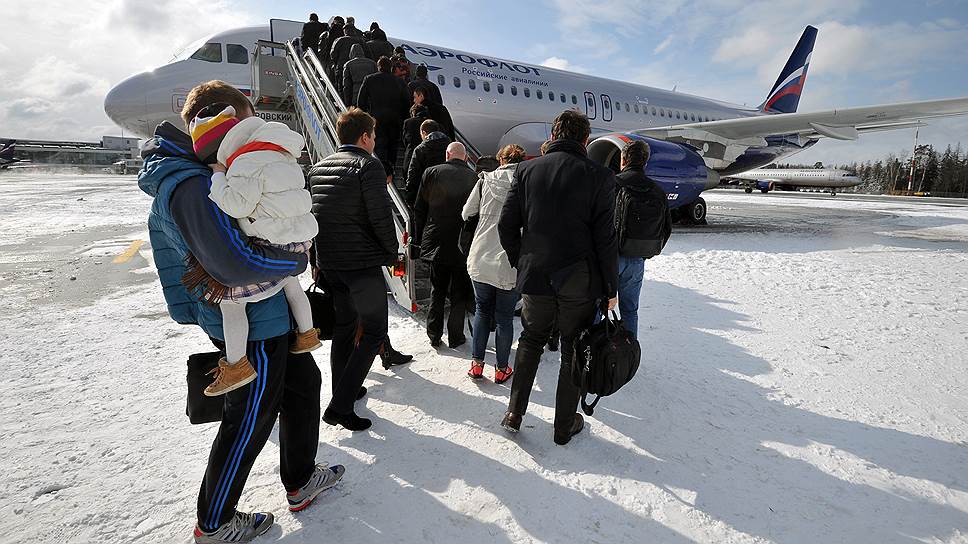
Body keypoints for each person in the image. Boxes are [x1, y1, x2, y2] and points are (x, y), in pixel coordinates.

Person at [138, 81, 344, 543]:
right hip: (253, 324)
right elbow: (232, 263)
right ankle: (214, 522)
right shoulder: (192, 184)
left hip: (267, 311)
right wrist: (294, 261)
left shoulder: (208, 169)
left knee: (303, 385)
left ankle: (300, 477)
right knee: (250, 417)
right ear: (229, 118)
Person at [497, 110, 618, 446]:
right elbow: (605, 239)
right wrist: (611, 287)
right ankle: (564, 426)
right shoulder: (600, 176)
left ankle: (514, 413)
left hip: (536, 274)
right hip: (578, 280)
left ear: (553, 135)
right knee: (572, 350)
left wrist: (522, 261)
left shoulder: (527, 169)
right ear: (585, 139)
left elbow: (506, 225)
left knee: (531, 341)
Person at [185, 104, 321, 397]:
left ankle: (236, 365)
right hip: (298, 240)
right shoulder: (277, 150)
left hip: (272, 243)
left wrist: (218, 176)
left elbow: (236, 205)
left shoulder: (245, 162)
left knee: (231, 302)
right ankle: (308, 334)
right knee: (293, 286)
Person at [308, 107, 397, 432]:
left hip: (332, 264)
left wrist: (316, 260)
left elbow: (314, 219)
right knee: (374, 332)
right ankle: (341, 406)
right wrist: (392, 252)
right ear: (364, 137)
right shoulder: (368, 166)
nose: (374, 141)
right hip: (361, 264)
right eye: (373, 136)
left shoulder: (318, 168)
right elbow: (380, 216)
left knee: (345, 329)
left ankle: (344, 388)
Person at [462, 144, 525, 383]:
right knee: (505, 318)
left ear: (501, 160)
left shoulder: (484, 181)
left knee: (482, 309)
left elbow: (466, 213)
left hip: (480, 255)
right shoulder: (524, 184)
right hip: (509, 260)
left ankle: (477, 365)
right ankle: (501, 369)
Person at [413, 142, 477, 348]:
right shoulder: (474, 177)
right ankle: (456, 336)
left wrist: (419, 239)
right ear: (465, 157)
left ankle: (434, 334)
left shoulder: (431, 172)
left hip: (437, 241)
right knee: (459, 292)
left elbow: (419, 209)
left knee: (437, 289)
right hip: (462, 243)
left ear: (447, 155)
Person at [614, 140, 672, 338]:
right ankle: (630, 350)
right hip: (637, 259)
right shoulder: (657, 190)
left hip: (610, 257)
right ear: (645, 162)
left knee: (598, 307)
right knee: (630, 310)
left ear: (623, 160)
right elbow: (666, 228)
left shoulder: (613, 183)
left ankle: (593, 351)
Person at [357, 56, 410, 170]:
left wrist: (366, 116)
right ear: (391, 67)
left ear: (378, 67)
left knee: (377, 146)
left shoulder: (369, 79)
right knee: (392, 148)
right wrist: (403, 120)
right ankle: (391, 171)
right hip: (394, 121)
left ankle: (376, 170)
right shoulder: (400, 82)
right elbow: (407, 102)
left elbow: (361, 101)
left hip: (376, 120)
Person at [404, 119, 450, 207]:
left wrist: (410, 197)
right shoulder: (450, 147)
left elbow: (413, 175)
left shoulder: (420, 149)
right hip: (447, 195)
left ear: (423, 132)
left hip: (426, 196)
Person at [401, 103, 430, 174]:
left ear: (413, 112)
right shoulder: (429, 123)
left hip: (411, 150)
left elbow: (405, 139)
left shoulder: (408, 122)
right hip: (426, 152)